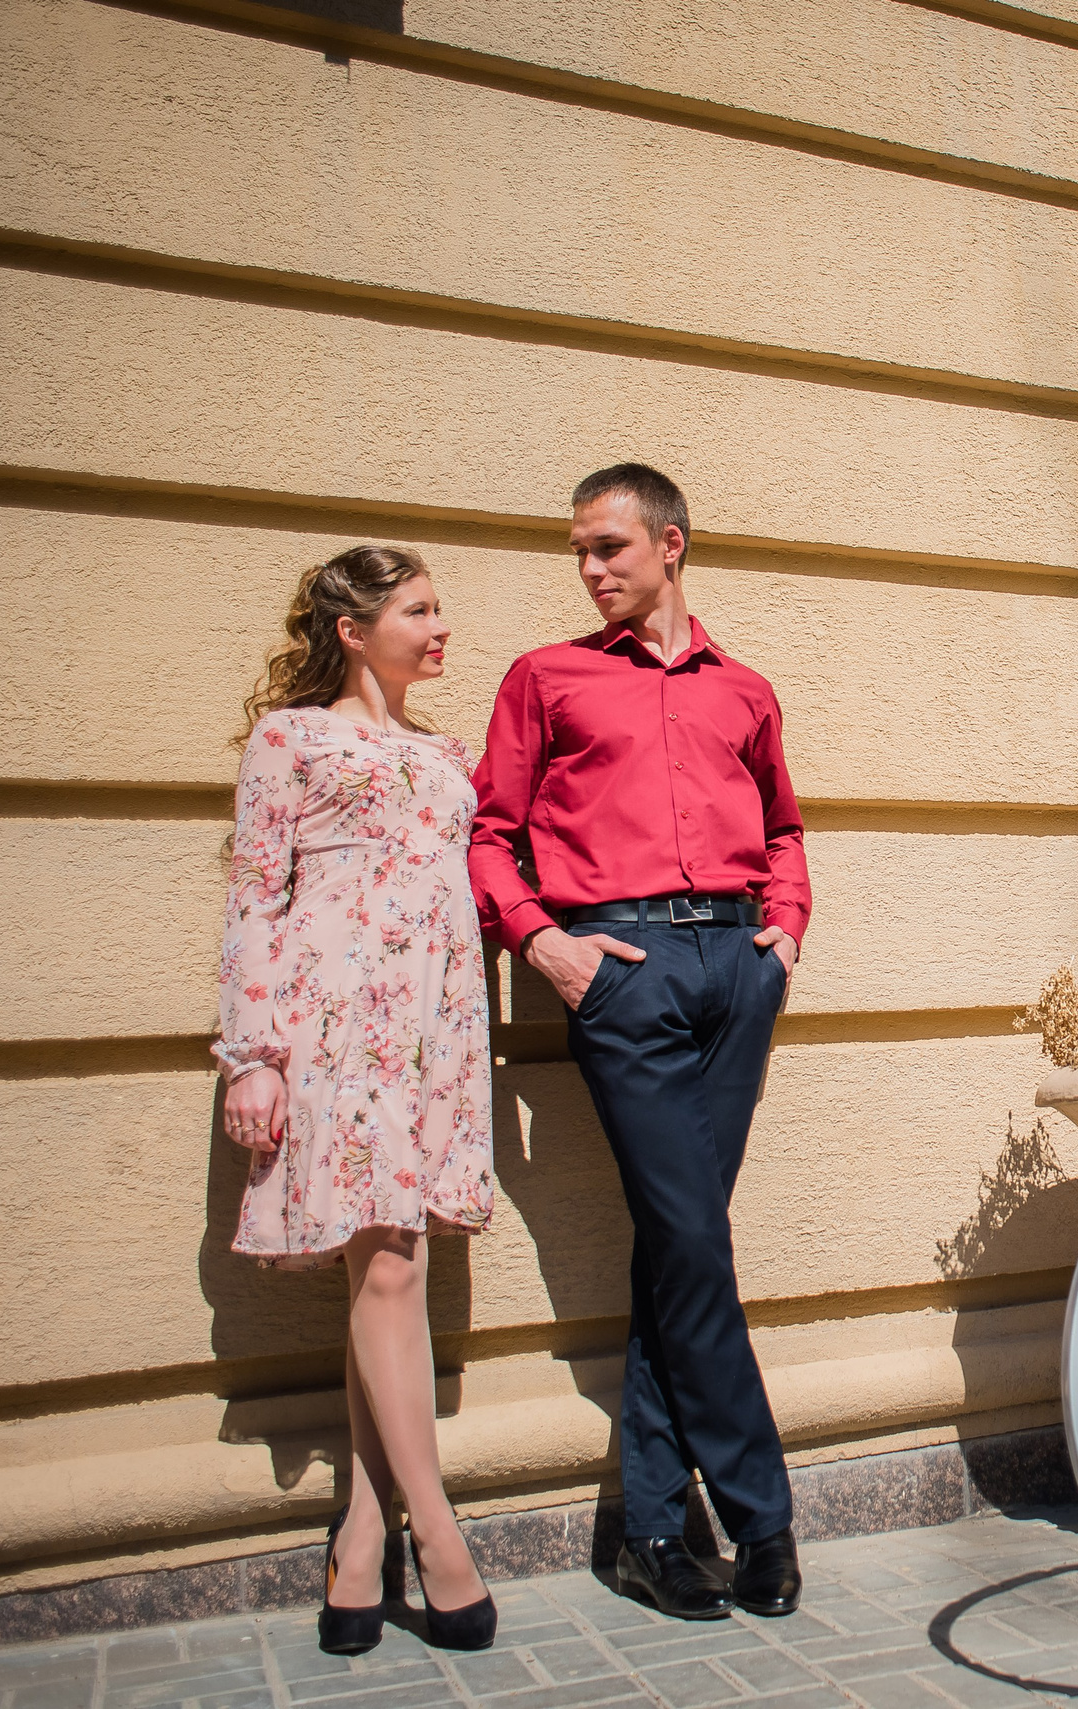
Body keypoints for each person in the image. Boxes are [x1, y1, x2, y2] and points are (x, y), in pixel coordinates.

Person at [468, 463, 809, 1621]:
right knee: (688, 1237)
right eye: (578, 550)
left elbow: (785, 828)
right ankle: (763, 1515)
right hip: (622, 972)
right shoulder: (546, 678)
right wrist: (544, 945)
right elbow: (489, 835)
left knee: (682, 1245)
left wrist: (785, 932)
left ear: (672, 544)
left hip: (736, 968)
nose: (589, 568)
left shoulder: (746, 690)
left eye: (608, 545)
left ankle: (656, 1528)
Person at [217, 546, 499, 1655]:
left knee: (391, 1264)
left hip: (433, 1028)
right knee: (385, 1264)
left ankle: (362, 1536)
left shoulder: (444, 751)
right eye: (419, 610)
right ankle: (438, 1534)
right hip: (328, 1026)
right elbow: (254, 893)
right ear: (353, 627)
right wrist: (252, 1054)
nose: (440, 628)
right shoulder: (288, 740)